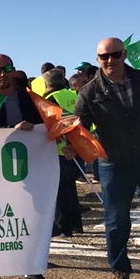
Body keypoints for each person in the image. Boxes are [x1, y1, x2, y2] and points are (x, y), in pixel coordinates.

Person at [73, 37, 140, 279]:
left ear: (125, 55)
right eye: (104, 56)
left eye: (115, 55)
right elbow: (79, 126)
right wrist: (73, 144)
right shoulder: (89, 92)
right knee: (116, 221)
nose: (110, 60)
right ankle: (120, 271)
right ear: (97, 59)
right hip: (114, 164)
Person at [0, 54, 61, 279]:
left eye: (7, 68)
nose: (2, 73)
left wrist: (32, 130)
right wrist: (7, 133)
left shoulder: (28, 98)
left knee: (31, 218)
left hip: (27, 170)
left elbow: (47, 125)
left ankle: (32, 272)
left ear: (13, 71)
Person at [43, 69, 83, 237]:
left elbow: (50, 124)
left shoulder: (50, 99)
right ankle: (76, 224)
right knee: (70, 188)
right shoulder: (73, 95)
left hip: (60, 149)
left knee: (59, 190)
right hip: (78, 146)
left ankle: (63, 226)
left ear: (46, 84)